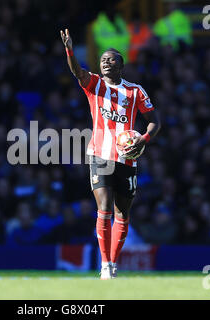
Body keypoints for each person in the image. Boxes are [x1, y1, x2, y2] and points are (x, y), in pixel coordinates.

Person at [60, 29, 161, 279]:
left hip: (127, 157)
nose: (105, 61)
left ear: (121, 65)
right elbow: (77, 72)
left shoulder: (135, 91)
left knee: (122, 214)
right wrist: (70, 50)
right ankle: (105, 266)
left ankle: (113, 263)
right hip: (100, 155)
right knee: (104, 207)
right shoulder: (94, 84)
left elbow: (154, 121)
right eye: (103, 58)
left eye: (111, 59)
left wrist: (143, 140)